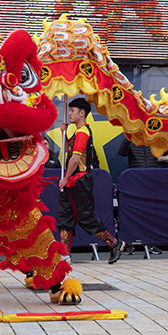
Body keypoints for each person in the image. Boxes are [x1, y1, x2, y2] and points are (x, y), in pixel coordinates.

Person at [58, 97, 125, 263]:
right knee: (65, 217)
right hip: (72, 181)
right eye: (70, 110)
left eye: (72, 111)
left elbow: (74, 159)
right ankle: (65, 255)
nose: (70, 114)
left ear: (82, 113)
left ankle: (114, 243)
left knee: (86, 218)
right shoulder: (76, 132)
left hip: (79, 181)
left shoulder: (83, 132)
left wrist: (65, 178)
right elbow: (68, 150)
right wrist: (64, 134)